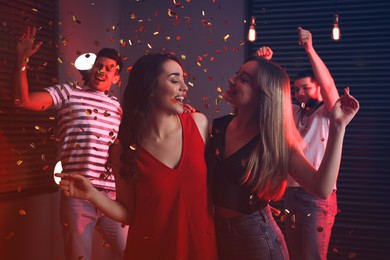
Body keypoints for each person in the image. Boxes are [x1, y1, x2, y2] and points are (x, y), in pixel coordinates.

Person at [56, 52, 218, 260]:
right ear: (149, 88)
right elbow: (129, 213)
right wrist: (91, 194)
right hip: (150, 251)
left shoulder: (199, 124)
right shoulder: (123, 150)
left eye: (183, 81)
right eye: (175, 80)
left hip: (200, 249)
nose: (184, 88)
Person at [206, 51, 359, 259]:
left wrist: (338, 127)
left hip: (256, 241)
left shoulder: (275, 142)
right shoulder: (216, 127)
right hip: (215, 234)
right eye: (237, 74)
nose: (231, 80)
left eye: (243, 79)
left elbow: (322, 188)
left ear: (263, 94)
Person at [14, 26, 126, 260]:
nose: (102, 71)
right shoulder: (68, 93)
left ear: (116, 78)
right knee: (79, 256)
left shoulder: (117, 107)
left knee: (132, 252)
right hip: (77, 192)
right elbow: (23, 101)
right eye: (98, 65)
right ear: (91, 68)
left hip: (111, 196)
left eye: (109, 68)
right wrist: (21, 59)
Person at [282, 27, 341, 260]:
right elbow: (271, 96)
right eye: (296, 89)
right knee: (293, 254)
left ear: (316, 86)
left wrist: (309, 49)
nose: (300, 93)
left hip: (317, 198)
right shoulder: (295, 112)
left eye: (306, 87)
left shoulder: (328, 113)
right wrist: (262, 62)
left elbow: (328, 87)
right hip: (290, 194)